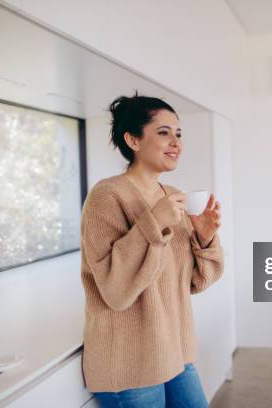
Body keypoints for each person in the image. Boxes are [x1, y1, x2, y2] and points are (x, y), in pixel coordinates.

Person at [80, 93, 224, 407]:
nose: (176, 142)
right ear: (133, 139)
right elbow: (116, 292)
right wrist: (153, 222)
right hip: (130, 366)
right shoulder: (107, 196)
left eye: (179, 134)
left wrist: (204, 238)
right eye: (163, 133)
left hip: (174, 353)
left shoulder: (172, 196)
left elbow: (195, 283)